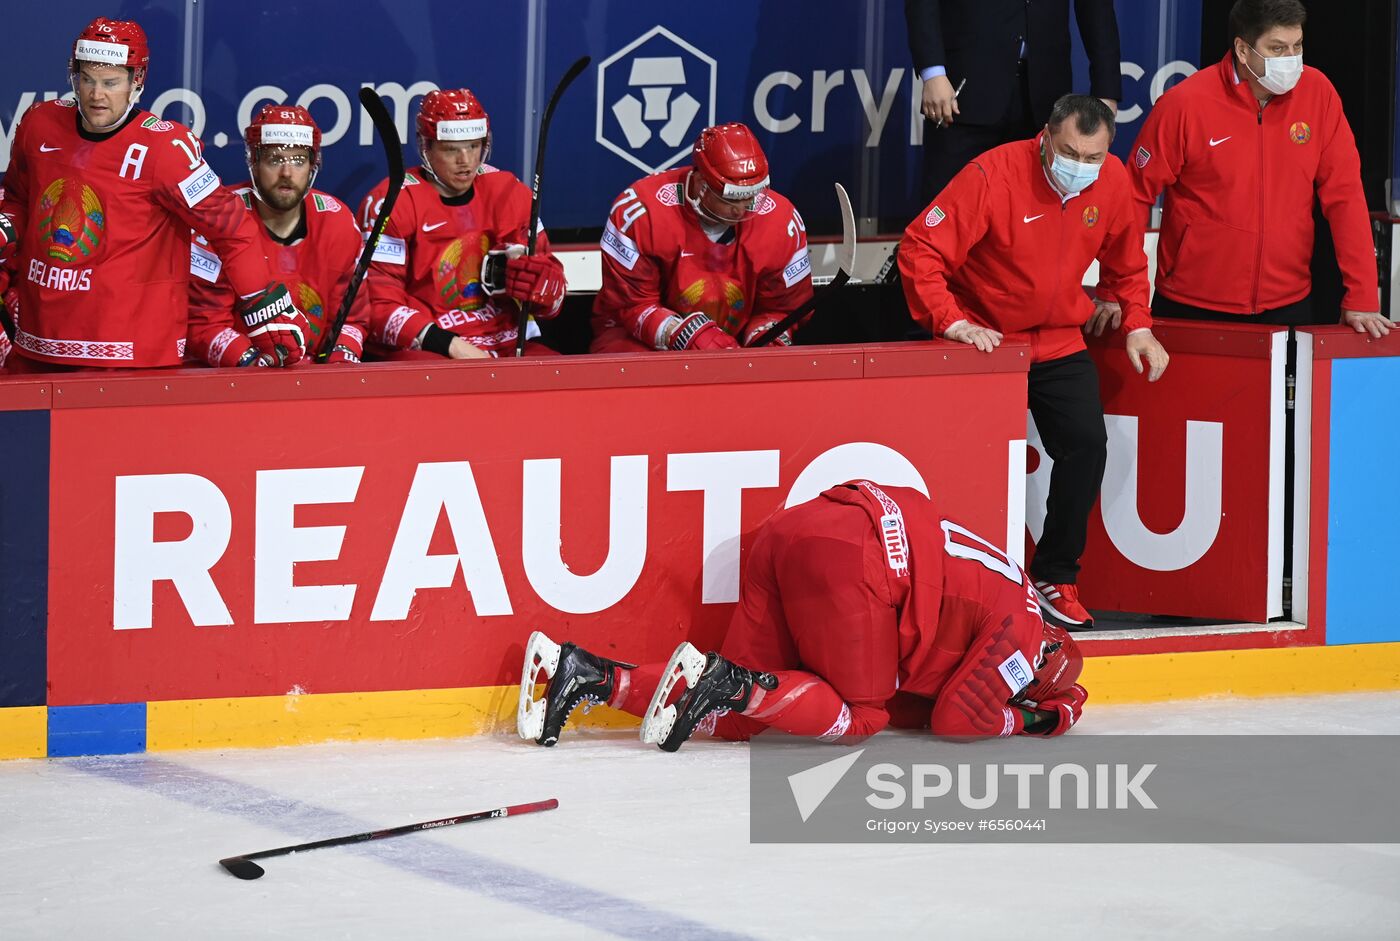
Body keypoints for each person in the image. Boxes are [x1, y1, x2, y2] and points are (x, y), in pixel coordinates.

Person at [518, 480, 1086, 752]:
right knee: (861, 717)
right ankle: (729, 684)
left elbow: (919, 704)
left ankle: (583, 673)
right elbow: (957, 721)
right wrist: (1039, 720)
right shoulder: (1027, 638)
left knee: (742, 720)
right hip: (861, 562)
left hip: (802, 526)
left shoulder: (1014, 589)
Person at [899, 95, 1170, 630]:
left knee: (1088, 447)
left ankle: (1055, 574)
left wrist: (1138, 323)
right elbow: (920, 250)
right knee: (964, 464)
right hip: (985, 340)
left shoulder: (1112, 181)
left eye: (1093, 157)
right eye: (1070, 152)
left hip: (1058, 340)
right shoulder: (992, 174)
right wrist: (952, 321)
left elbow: (1127, 264)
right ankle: (949, 586)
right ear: (1045, 138)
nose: (1082, 167)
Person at [0, 17, 303, 372]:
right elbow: (20, 200)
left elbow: (232, 229)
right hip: (39, 344)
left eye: (111, 82)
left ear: (137, 80)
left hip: (129, 356)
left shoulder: (165, 149)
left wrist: (261, 302)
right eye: (88, 80)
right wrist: (6, 226)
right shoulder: (39, 123)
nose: (97, 95)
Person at [1126, 0, 1389, 337]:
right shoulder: (1185, 104)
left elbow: (1346, 197)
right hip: (1191, 303)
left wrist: (1363, 294)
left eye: (1297, 46)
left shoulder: (1318, 94)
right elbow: (1132, 197)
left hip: (1288, 303)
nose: (1291, 59)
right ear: (1242, 49)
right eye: (1277, 48)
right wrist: (1118, 294)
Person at [359, 88, 566, 360]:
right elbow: (377, 304)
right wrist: (452, 346)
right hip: (430, 348)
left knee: (561, 377)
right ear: (426, 147)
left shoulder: (510, 192)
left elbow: (552, 302)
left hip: (506, 342)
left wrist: (547, 290)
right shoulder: (392, 202)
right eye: (451, 149)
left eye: (473, 146)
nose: (465, 161)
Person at [591, 122, 813, 354]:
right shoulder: (641, 212)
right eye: (731, 199)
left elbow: (783, 308)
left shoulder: (783, 222)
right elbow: (632, 305)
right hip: (636, 337)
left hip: (734, 343)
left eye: (750, 197)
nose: (742, 210)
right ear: (700, 184)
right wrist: (680, 333)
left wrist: (767, 335)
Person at [185, 105, 361, 367]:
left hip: (311, 375)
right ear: (253, 162)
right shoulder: (218, 220)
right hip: (236, 380)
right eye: (275, 159)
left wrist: (340, 360)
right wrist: (251, 363)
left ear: (314, 164)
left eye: (299, 160)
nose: (287, 173)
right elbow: (203, 323)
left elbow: (351, 317)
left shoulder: (338, 221)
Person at [905, 0, 1122, 203]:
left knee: (1032, 215)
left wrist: (1106, 89)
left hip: (1045, 95)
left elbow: (1096, 8)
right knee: (947, 207)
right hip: (962, 91)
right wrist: (932, 72)